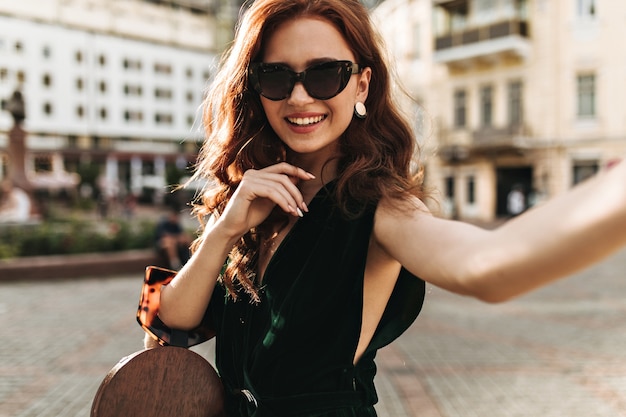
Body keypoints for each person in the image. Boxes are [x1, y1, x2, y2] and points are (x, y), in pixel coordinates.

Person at [150, 1, 626, 415]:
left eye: (324, 74)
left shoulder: (377, 205)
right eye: (276, 77)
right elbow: (167, 322)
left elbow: (489, 266)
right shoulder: (252, 200)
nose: (299, 97)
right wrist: (223, 231)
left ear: (361, 85)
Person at [154, 205, 192, 270]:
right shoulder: (164, 223)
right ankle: (175, 264)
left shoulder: (176, 225)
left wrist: (180, 239)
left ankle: (192, 257)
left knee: (187, 238)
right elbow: (164, 236)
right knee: (170, 243)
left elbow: (181, 235)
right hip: (162, 243)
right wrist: (176, 238)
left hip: (175, 242)